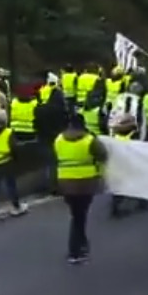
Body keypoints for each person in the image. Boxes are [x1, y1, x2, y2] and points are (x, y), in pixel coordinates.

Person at [54, 113, 108, 264]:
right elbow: (103, 156)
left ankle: (82, 244)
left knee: (77, 214)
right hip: (85, 183)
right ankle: (75, 252)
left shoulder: (59, 139)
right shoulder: (89, 140)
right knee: (79, 217)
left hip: (64, 182)